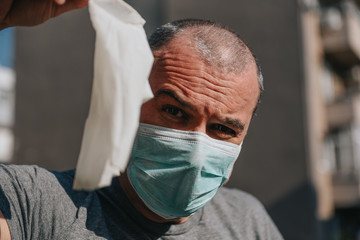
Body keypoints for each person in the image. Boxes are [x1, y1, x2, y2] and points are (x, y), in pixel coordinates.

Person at [0, 0, 283, 239]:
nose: (196, 151)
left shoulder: (247, 222)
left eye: (222, 129)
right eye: (174, 111)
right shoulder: (31, 204)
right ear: (126, 100)